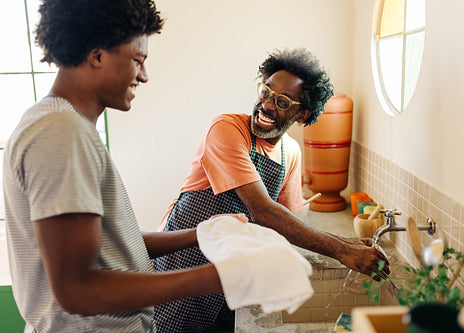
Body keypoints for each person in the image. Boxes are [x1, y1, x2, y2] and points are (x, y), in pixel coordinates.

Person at [2, 1, 230, 332]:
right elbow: (77, 289)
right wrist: (218, 277)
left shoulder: (65, 125)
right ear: (97, 56)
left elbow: (108, 247)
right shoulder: (60, 132)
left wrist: (201, 234)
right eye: (137, 60)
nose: (144, 76)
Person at [154, 48, 391, 333]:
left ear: (302, 113)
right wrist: (340, 250)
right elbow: (263, 211)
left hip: (231, 277)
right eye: (265, 92)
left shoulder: (290, 153)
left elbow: (286, 226)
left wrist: (346, 242)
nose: (266, 105)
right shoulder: (227, 129)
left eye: (282, 101)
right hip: (184, 262)